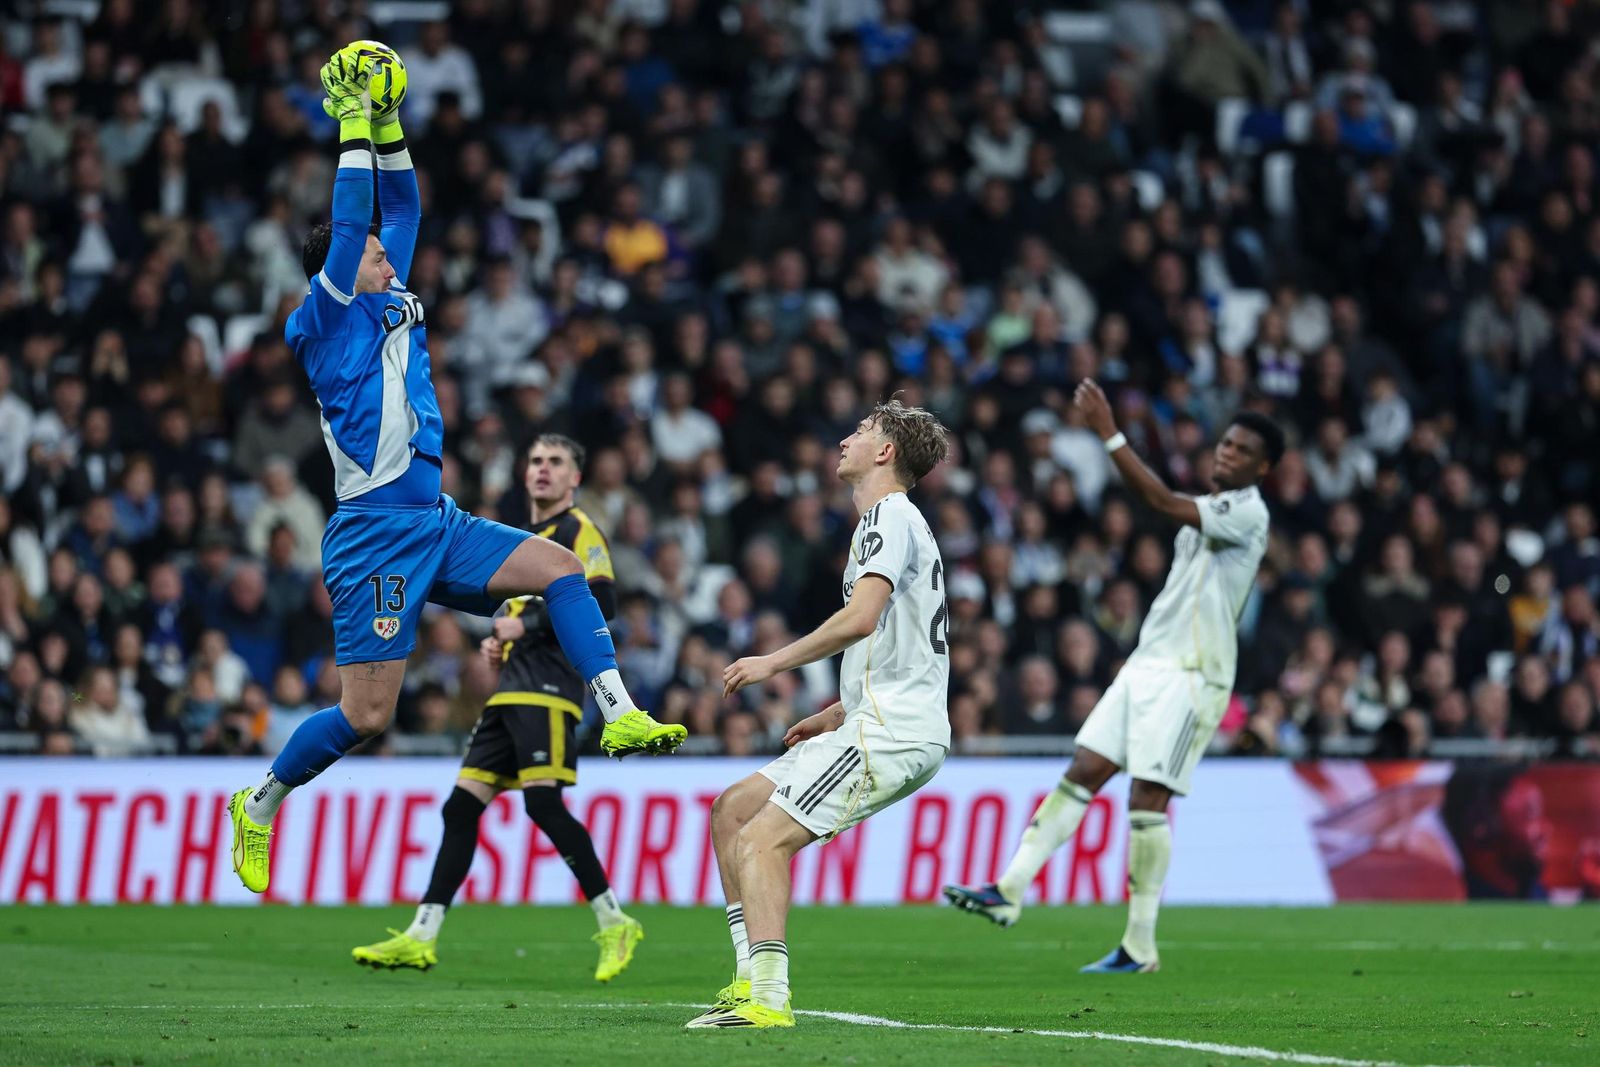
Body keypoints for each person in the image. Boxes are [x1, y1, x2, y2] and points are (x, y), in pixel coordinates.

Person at [227, 46, 684, 897]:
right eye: (375, 256)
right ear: (340, 262)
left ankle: (619, 713)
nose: (392, 262)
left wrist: (391, 121)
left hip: (435, 519)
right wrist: (352, 121)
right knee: (367, 715)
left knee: (562, 569)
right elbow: (358, 203)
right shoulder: (320, 317)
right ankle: (259, 801)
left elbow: (398, 203)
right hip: (372, 538)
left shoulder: (386, 288)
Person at [944, 381, 1282, 973]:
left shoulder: (1246, 512)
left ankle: (1140, 946)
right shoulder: (1211, 511)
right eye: (1225, 443)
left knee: (1146, 799)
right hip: (1150, 667)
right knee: (1084, 770)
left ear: (1264, 467)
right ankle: (1009, 889)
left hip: (1193, 676)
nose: (1226, 453)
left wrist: (1108, 430)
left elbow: (1158, 500)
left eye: (1242, 450)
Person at [686, 399, 951, 1029]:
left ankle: (768, 1001)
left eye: (862, 431)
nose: (846, 439)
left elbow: (860, 619)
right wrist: (835, 711)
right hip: (871, 717)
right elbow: (901, 647)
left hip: (892, 732)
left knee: (761, 840)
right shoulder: (892, 523)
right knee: (734, 810)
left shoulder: (889, 517)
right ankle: (748, 975)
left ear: (885, 452)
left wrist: (770, 663)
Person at [351, 435, 644, 979]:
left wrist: (525, 624)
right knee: (460, 809)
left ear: (575, 478)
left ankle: (614, 921)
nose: (543, 470)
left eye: (556, 462)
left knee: (543, 805)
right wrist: (502, 641)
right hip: (509, 688)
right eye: (534, 460)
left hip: (549, 691)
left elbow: (603, 603)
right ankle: (421, 934)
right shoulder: (520, 540)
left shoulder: (578, 532)